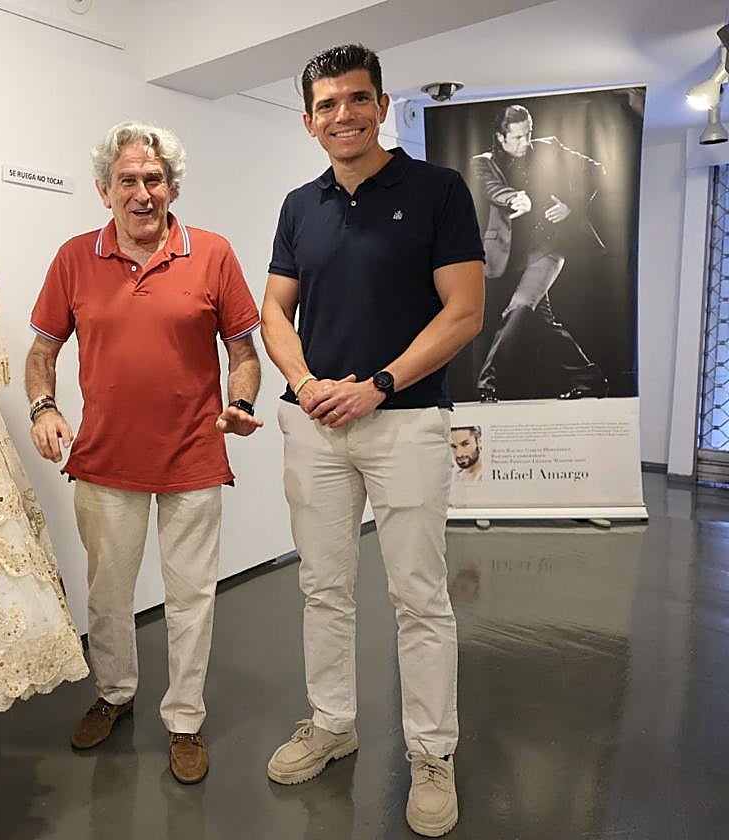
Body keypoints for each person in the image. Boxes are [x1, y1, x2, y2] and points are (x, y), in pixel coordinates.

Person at [259, 45, 484, 837]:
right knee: (324, 587)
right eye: (326, 105)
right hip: (316, 425)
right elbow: (273, 312)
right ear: (309, 119)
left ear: (383, 106)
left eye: (357, 99)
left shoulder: (437, 191)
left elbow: (462, 312)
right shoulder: (300, 204)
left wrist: (377, 384)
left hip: (407, 423)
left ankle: (430, 754)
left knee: (418, 597)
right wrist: (308, 380)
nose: (342, 115)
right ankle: (333, 722)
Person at [25, 121, 263, 785]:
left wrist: (240, 403)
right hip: (103, 461)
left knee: (192, 597)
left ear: (173, 187)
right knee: (108, 595)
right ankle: (116, 692)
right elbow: (42, 350)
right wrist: (44, 408)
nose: (141, 192)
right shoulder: (75, 258)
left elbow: (243, 352)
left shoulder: (212, 254)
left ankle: (185, 720)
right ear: (105, 190)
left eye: (153, 179)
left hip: (192, 455)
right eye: (127, 180)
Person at [471, 104, 608, 401]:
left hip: (548, 248)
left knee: (518, 307)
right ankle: (590, 379)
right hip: (509, 254)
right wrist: (515, 198)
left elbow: (596, 170)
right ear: (500, 137)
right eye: (517, 138)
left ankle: (486, 383)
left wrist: (570, 204)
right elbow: (491, 189)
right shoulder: (483, 162)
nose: (525, 143)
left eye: (528, 135)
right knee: (542, 321)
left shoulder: (549, 148)